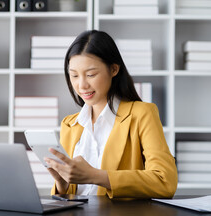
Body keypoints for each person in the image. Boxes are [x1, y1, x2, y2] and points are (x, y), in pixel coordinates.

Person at [44, 30, 178, 199]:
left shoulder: (142, 114)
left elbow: (165, 181)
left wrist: (95, 176)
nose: (82, 85)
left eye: (91, 74)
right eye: (74, 75)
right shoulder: (69, 124)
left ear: (114, 69)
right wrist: (62, 186)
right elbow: (70, 197)